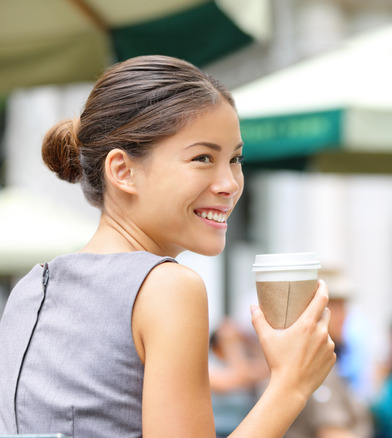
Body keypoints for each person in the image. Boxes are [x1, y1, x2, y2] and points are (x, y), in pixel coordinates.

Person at [0, 55, 335, 437]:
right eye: (203, 158)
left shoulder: (29, 289)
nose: (230, 183)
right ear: (123, 171)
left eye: (235, 159)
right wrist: (291, 384)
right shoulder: (168, 288)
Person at [285, 270, 373, 438]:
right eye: (336, 305)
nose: (345, 315)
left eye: (344, 306)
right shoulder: (314, 364)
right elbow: (332, 432)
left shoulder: (324, 360)